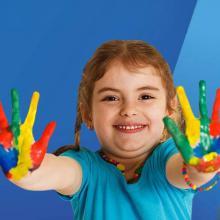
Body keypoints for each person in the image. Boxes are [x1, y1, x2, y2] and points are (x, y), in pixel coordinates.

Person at [0, 40, 219, 220]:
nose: (129, 109)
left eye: (145, 96)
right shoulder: (85, 169)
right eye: (111, 98)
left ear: (170, 109)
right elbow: (52, 172)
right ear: (87, 113)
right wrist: (25, 168)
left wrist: (202, 165)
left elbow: (186, 172)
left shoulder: (169, 158)